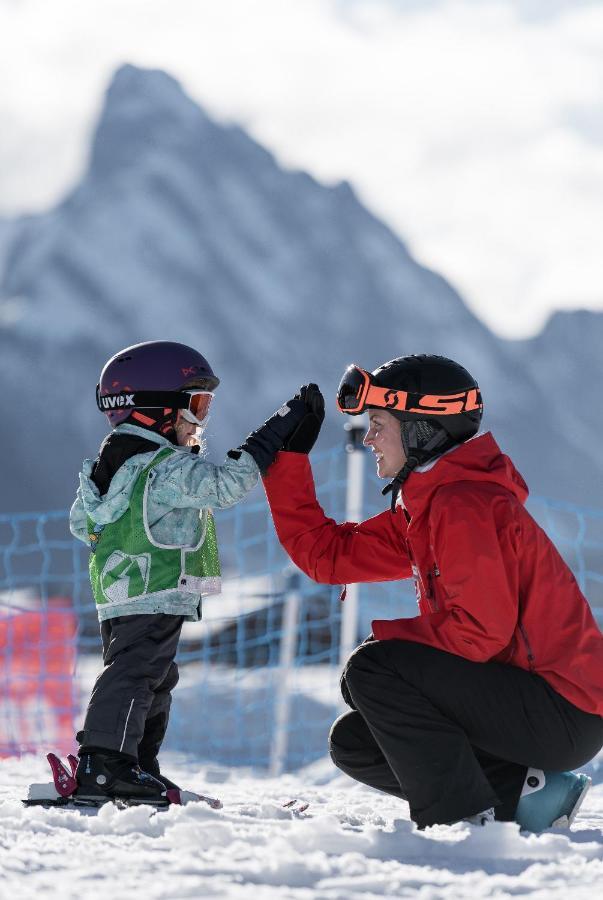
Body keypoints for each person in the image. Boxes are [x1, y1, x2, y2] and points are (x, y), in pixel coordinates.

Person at [261, 355, 603, 831]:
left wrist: (381, 647)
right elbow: (330, 556)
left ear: (422, 428)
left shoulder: (465, 506)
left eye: (379, 424)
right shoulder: (431, 504)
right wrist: (286, 460)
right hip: (533, 704)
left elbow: (480, 634)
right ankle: (529, 795)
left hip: (561, 709)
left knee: (374, 670)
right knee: (356, 741)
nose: (369, 439)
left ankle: (460, 821)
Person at [69, 340, 310, 804]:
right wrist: (274, 434)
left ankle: (134, 765)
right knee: (139, 673)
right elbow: (222, 487)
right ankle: (105, 764)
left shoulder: (111, 466)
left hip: (121, 591)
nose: (199, 421)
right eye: (195, 407)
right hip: (156, 586)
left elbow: (83, 523)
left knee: (152, 677)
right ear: (154, 411)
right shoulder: (164, 466)